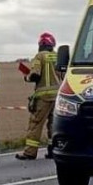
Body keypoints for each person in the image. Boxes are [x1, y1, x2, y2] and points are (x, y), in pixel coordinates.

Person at [18, 32, 61, 160]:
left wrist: (27, 77)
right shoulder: (57, 56)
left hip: (43, 96)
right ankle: (53, 150)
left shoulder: (40, 56)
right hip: (58, 96)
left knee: (35, 124)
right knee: (53, 125)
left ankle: (30, 152)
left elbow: (35, 74)